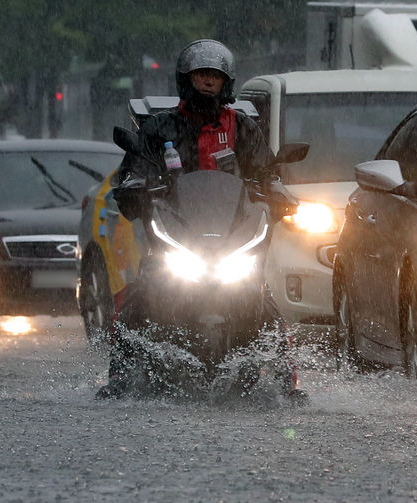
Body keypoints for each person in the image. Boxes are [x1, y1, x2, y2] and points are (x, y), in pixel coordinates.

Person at [97, 38, 303, 400]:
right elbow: (135, 167)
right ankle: (118, 377)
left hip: (231, 237)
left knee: (264, 301)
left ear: (226, 83)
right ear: (185, 79)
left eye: (215, 76)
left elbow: (266, 171)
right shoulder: (160, 128)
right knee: (139, 296)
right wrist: (134, 184)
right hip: (176, 236)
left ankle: (289, 384)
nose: (208, 82)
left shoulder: (243, 127)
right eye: (201, 75)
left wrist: (277, 190)